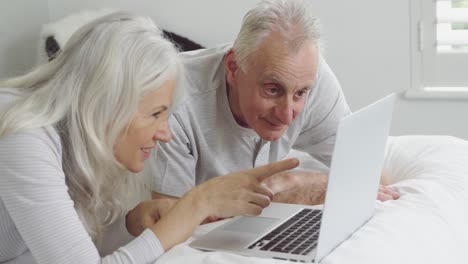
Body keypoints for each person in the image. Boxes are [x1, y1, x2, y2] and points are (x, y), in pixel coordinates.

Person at [0, 12, 299, 263]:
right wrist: (196, 204)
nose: (165, 133)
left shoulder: (76, 141)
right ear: (109, 103)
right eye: (156, 114)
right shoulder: (23, 136)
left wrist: (130, 225)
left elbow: (70, 247)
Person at [148, 0, 400, 209]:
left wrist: (290, 184)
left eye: (300, 93)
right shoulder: (173, 98)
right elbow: (171, 220)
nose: (287, 116)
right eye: (272, 89)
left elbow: (373, 176)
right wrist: (287, 187)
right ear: (233, 68)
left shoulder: (311, 77)